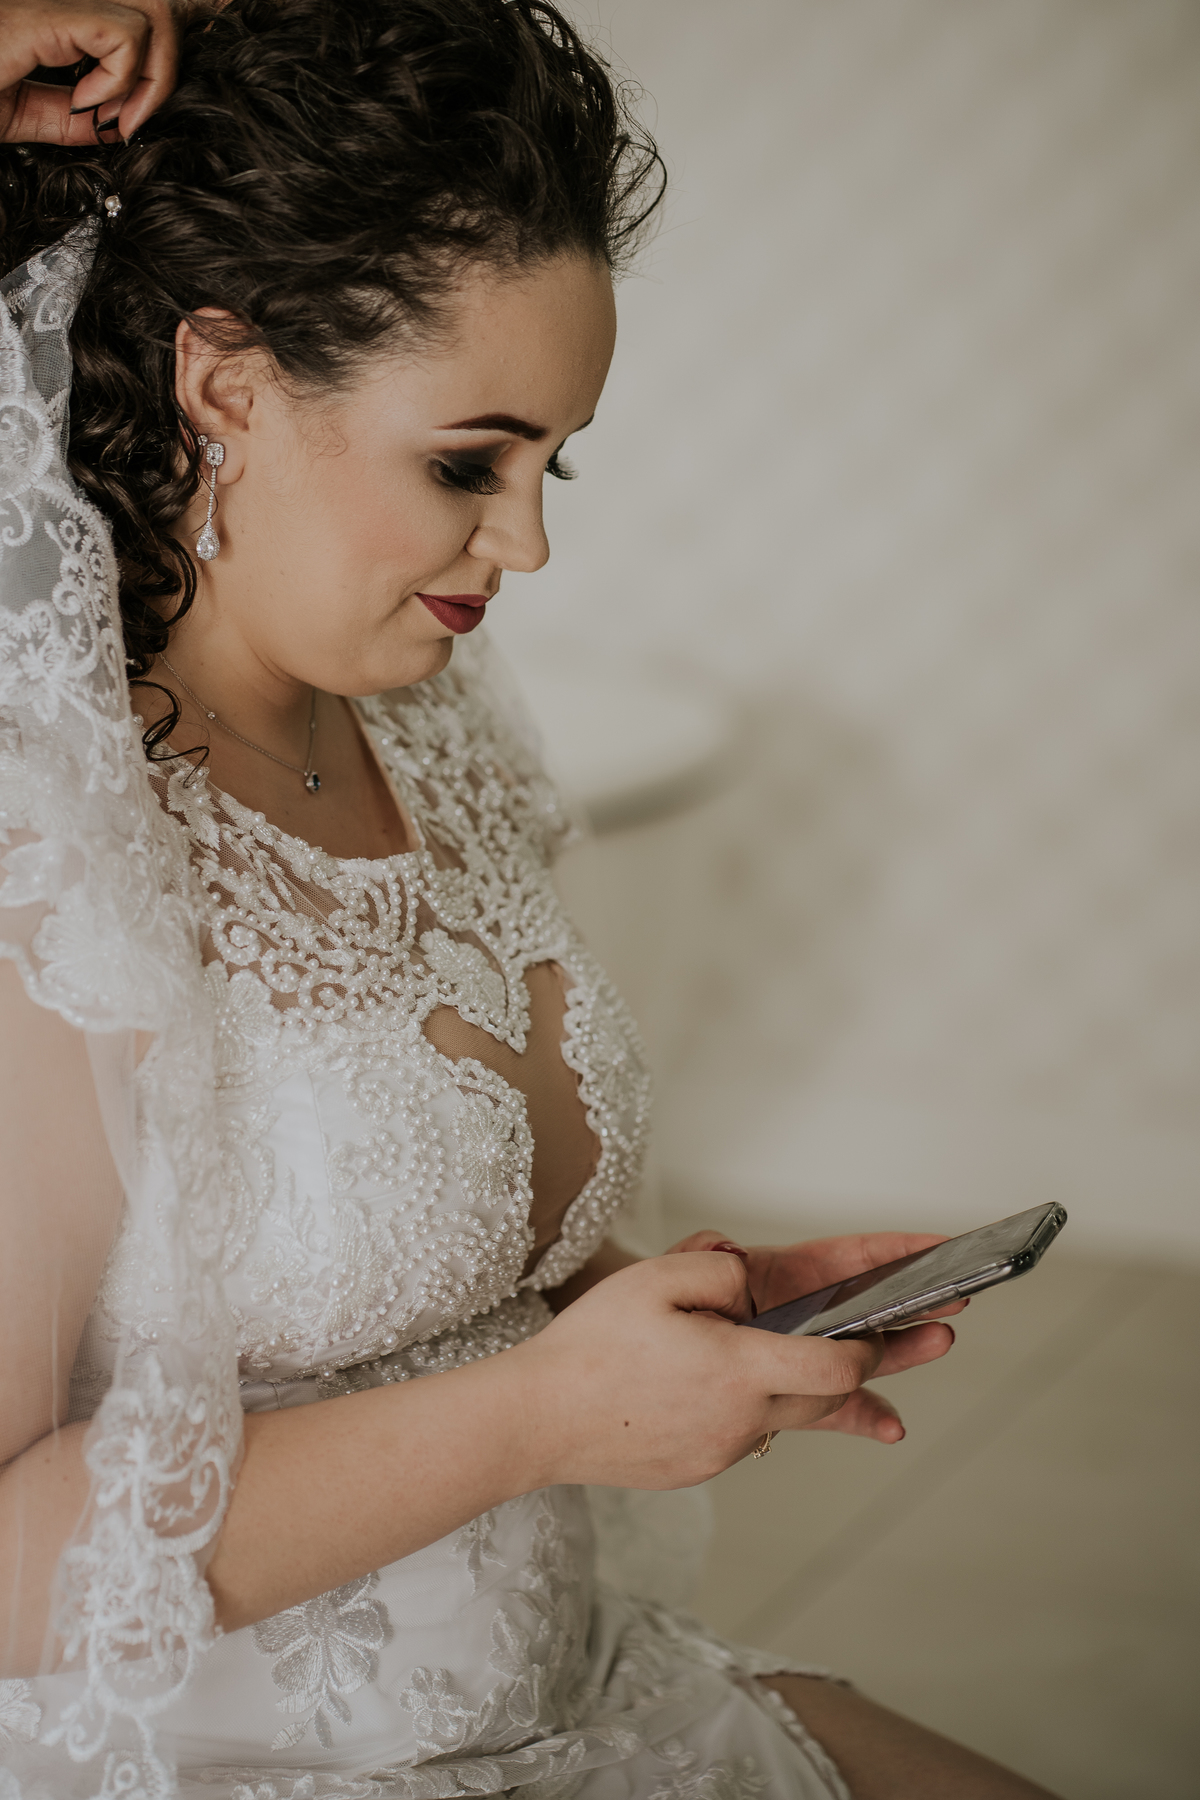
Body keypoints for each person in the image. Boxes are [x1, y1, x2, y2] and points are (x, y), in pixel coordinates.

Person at [0, 4, 1061, 1795]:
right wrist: (541, 1421)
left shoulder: (442, 739)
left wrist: (681, 1318)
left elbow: (411, 1283)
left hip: (573, 1694)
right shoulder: (54, 862)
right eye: (464, 464)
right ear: (226, 385)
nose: (530, 546)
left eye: (548, 462)